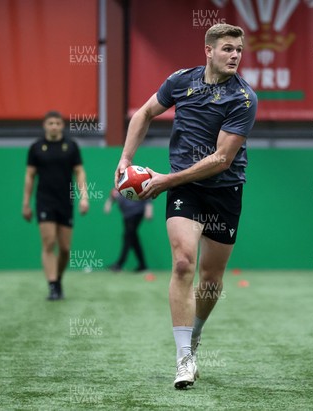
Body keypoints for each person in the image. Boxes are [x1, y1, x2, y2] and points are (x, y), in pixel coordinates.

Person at [114, 24, 257, 389]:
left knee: (210, 280)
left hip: (224, 190)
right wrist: (125, 159)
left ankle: (194, 335)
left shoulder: (243, 99)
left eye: (239, 50)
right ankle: (183, 358)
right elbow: (144, 114)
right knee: (182, 263)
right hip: (186, 189)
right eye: (227, 49)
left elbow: (222, 159)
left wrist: (164, 181)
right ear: (208, 50)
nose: (235, 55)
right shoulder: (181, 81)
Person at [22, 111, 89, 301]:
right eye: (50, 123)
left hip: (65, 201)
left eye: (57, 123)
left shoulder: (71, 146)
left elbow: (80, 172)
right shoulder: (36, 148)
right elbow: (29, 177)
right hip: (44, 201)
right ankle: (52, 286)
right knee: (49, 242)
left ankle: (58, 279)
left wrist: (84, 197)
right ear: (45, 125)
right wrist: (26, 203)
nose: (54, 126)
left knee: (65, 248)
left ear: (62, 125)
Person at [103, 188, 153, 272]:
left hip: (136, 212)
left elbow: (146, 194)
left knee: (128, 236)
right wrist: (108, 204)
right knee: (133, 239)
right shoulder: (119, 184)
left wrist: (149, 209)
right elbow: (113, 194)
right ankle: (143, 265)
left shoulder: (136, 179)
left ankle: (119, 264)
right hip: (126, 215)